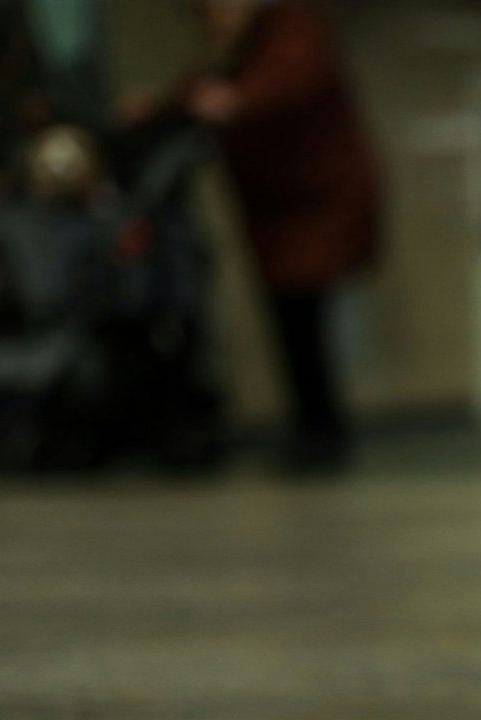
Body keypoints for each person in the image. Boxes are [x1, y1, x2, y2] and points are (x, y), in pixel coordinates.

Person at [152, 0, 380, 472]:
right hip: (277, 211)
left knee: (305, 319)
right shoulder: (240, 44)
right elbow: (200, 85)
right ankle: (311, 427)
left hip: (314, 203)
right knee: (290, 320)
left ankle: (321, 432)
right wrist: (159, 108)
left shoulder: (292, 29)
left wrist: (233, 101)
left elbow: (285, 84)